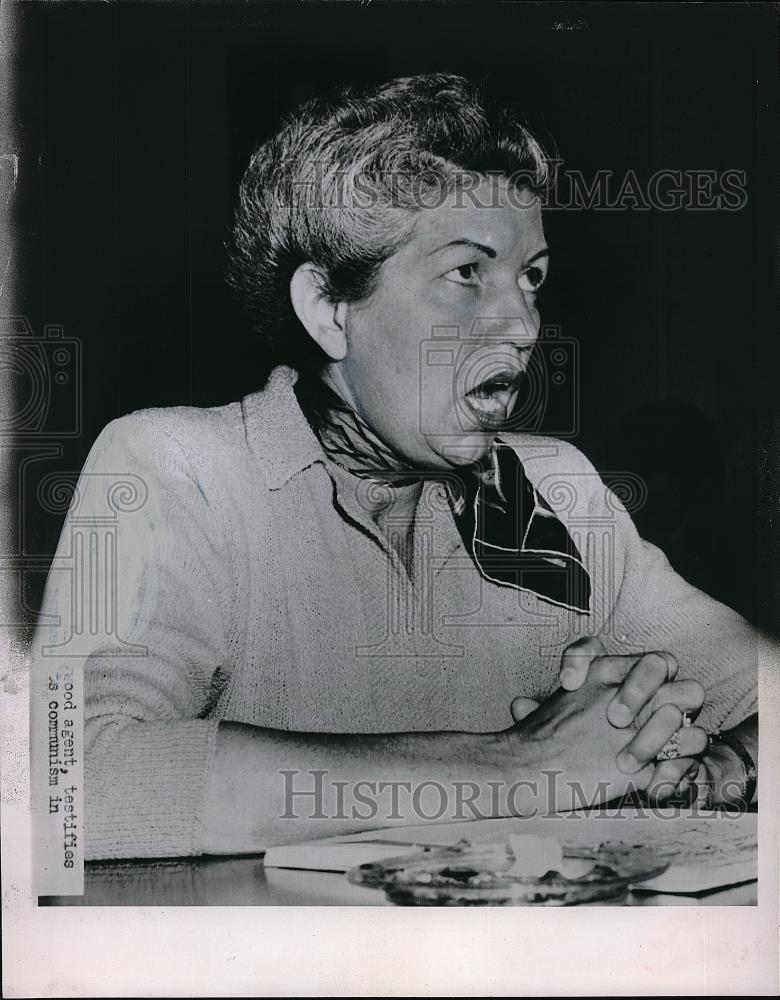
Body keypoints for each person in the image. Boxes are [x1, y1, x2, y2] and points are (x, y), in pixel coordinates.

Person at [32, 74, 759, 861]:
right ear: (329, 309)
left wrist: (722, 764)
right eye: (466, 273)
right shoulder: (174, 467)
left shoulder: (555, 490)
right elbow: (69, 784)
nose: (522, 324)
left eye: (531, 277)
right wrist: (526, 765)